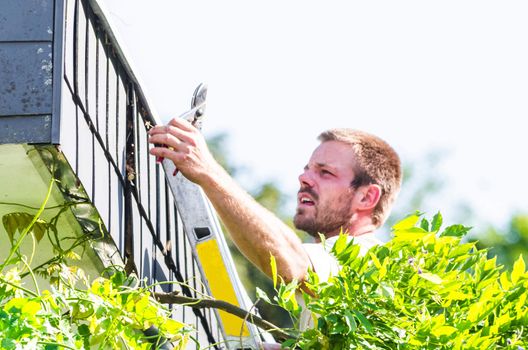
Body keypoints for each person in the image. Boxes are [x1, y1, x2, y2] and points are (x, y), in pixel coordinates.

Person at [147, 119, 402, 333]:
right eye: (307, 169)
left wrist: (209, 171)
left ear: (367, 197)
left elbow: (291, 264)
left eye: (325, 172)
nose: (304, 178)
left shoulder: (365, 258)